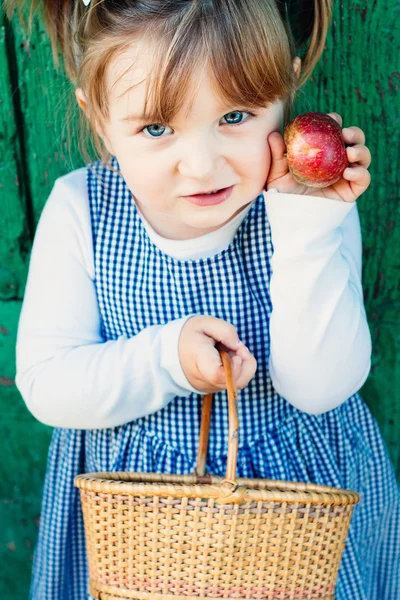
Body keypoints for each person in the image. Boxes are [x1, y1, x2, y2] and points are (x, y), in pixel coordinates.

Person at [5, 0, 399, 599]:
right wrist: (165, 359)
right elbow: (46, 383)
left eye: (237, 115)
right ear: (99, 118)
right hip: (134, 522)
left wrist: (307, 225)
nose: (203, 163)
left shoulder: (311, 208)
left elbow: (320, 388)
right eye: (156, 129)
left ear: (286, 92)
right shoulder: (81, 209)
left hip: (298, 520)